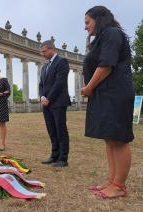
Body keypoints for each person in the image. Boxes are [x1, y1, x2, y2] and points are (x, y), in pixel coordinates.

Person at [82, 6, 134, 198]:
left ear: (99, 19)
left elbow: (106, 65)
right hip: (104, 93)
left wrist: (88, 87)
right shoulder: (102, 38)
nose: (85, 27)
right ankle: (112, 180)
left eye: (87, 22)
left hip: (116, 92)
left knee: (119, 138)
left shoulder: (112, 33)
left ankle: (119, 186)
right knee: (109, 138)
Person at [39, 40, 71, 168]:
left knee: (60, 130)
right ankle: (54, 155)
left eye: (44, 51)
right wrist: (42, 96)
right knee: (51, 130)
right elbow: (41, 84)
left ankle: (63, 158)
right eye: (41, 52)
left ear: (52, 49)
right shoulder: (44, 66)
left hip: (58, 102)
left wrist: (49, 98)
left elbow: (60, 82)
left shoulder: (62, 62)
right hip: (46, 103)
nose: (42, 54)